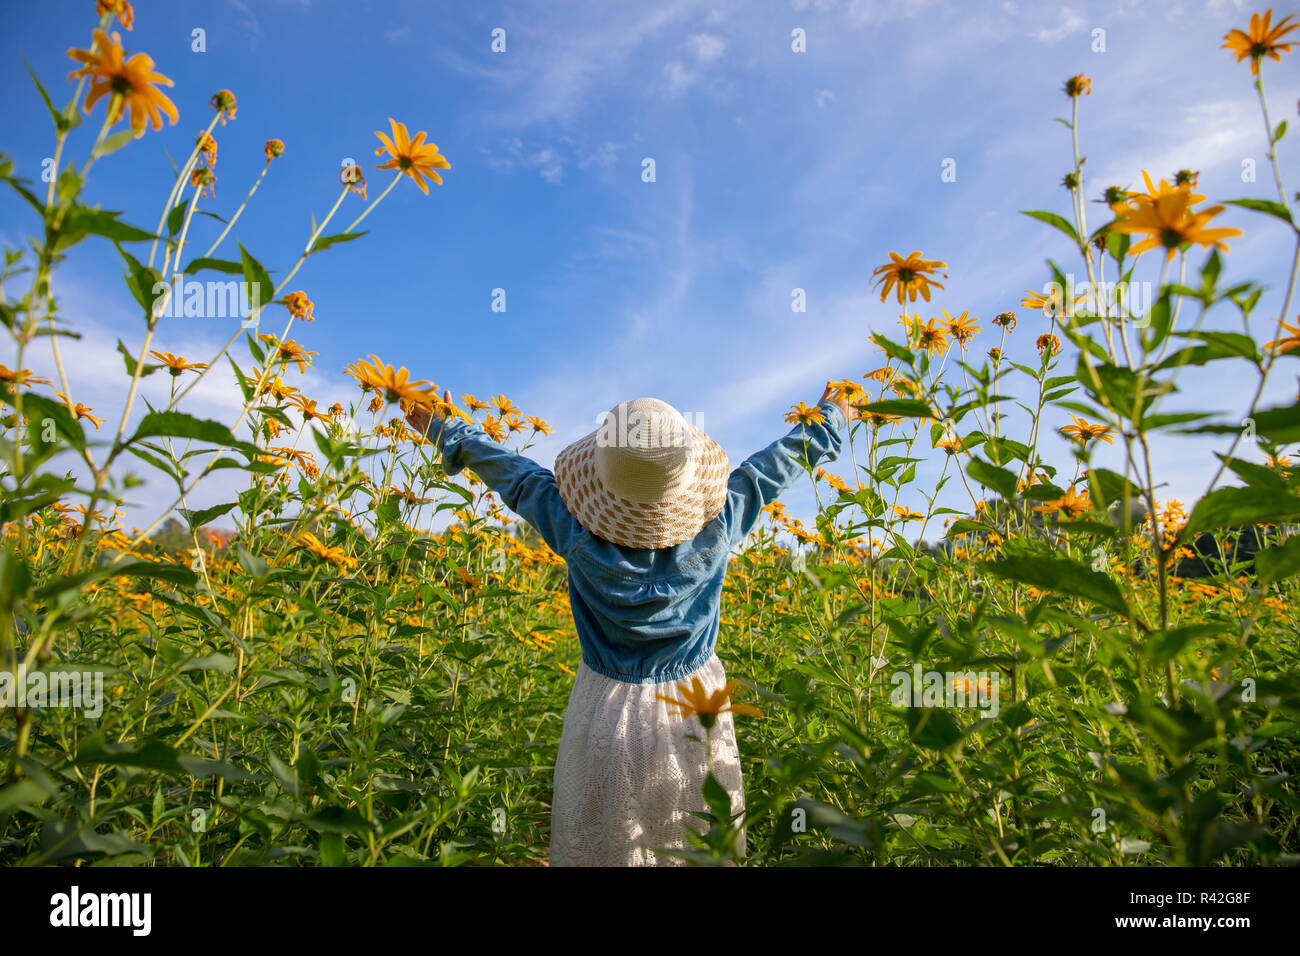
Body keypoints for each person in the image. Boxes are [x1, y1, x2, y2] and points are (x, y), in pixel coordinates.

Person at [406, 383, 855, 865]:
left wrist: (445, 427)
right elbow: (773, 468)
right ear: (684, 479)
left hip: (605, 708)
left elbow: (515, 477)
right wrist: (830, 414)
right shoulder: (721, 522)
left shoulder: (573, 528)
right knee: (694, 833)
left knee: (606, 835)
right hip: (694, 706)